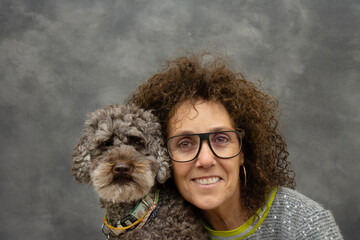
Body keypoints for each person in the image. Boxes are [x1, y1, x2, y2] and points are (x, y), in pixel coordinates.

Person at [128, 53, 343, 239]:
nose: (205, 160)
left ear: (243, 151)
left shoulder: (304, 224)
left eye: (221, 139)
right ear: (163, 158)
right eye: (185, 143)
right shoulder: (154, 229)